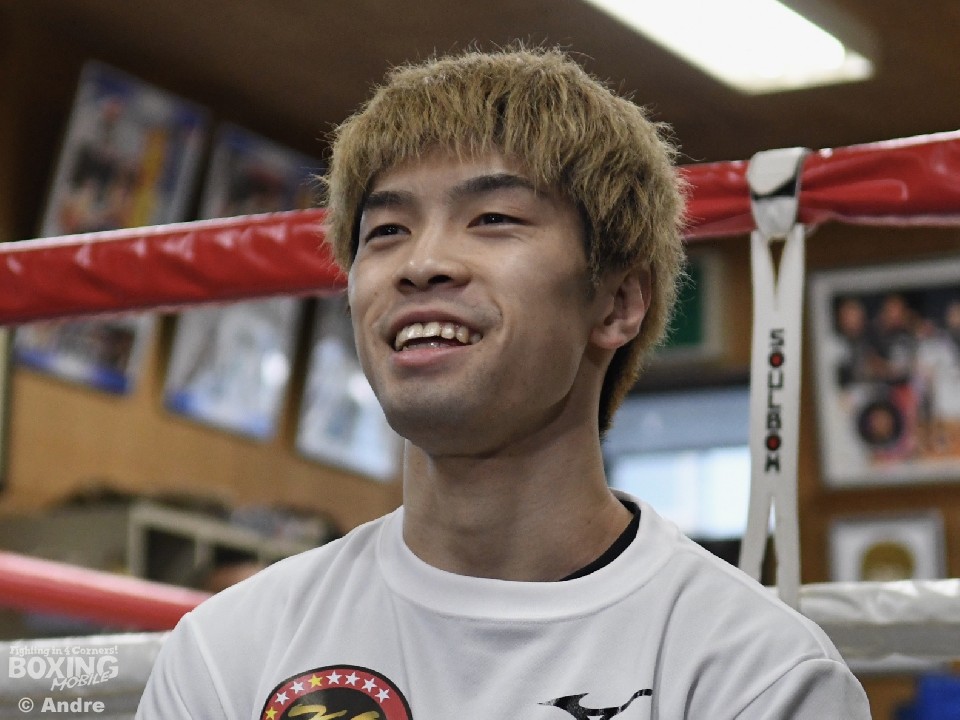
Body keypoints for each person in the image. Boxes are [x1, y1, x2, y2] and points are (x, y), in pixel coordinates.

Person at [136, 46, 870, 719]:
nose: (422, 263)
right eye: (386, 231)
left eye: (491, 218)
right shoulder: (230, 651)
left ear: (618, 303)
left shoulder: (755, 673)